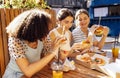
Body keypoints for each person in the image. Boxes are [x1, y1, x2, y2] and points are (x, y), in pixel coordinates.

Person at [3, 9, 66, 78]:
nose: (47, 33)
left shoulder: (43, 37)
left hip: (36, 73)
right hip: (16, 75)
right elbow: (28, 71)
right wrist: (53, 52)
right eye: (44, 30)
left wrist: (61, 57)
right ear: (34, 30)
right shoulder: (15, 40)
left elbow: (48, 59)